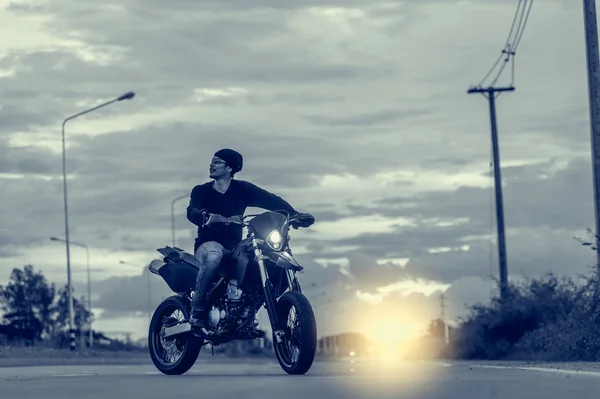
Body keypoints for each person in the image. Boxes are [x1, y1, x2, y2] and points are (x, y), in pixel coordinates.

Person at [186, 148, 303, 336]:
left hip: (234, 247)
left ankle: (247, 314)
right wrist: (206, 217)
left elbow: (272, 200)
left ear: (230, 167)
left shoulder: (242, 189)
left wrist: (295, 215)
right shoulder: (201, 191)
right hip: (208, 244)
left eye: (216, 161)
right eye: (212, 161)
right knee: (214, 256)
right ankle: (197, 313)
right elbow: (192, 211)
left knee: (261, 259)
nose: (211, 164)